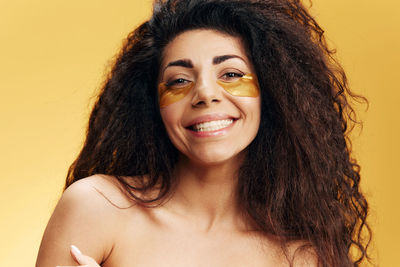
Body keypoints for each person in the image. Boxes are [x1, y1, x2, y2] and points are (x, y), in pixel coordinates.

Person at [35, 0, 372, 266]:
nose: (205, 94)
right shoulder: (97, 208)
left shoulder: (303, 257)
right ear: (153, 104)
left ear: (271, 95)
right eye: (179, 80)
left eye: (231, 74)